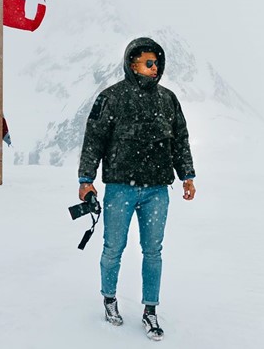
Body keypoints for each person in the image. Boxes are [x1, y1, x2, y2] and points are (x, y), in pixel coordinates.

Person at [78, 36, 196, 341]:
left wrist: (187, 175)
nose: (154, 67)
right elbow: (94, 140)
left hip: (158, 189)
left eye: (157, 62)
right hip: (120, 188)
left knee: (153, 251)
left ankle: (150, 310)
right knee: (113, 248)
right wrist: (85, 180)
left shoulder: (168, 99)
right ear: (132, 63)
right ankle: (109, 299)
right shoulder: (111, 98)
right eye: (148, 62)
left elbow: (180, 139)